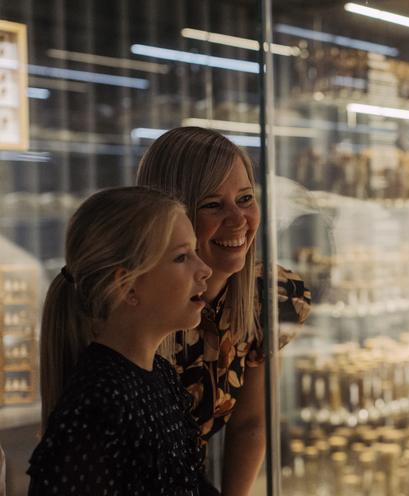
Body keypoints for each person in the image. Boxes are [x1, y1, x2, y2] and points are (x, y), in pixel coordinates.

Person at [136, 127, 311, 494]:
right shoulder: (130, 303)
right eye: (213, 205)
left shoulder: (269, 296)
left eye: (245, 198)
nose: (238, 220)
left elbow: (250, 422)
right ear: (169, 215)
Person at [27, 187, 217, 495]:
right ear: (127, 286)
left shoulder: (160, 374)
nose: (204, 269)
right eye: (182, 257)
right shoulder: (99, 404)